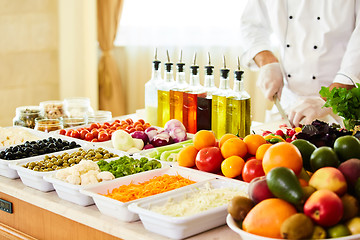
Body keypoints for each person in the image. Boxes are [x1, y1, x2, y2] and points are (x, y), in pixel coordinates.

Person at [239, 0, 360, 127]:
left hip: (342, 107)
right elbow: (251, 24)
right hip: (288, 103)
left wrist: (329, 100)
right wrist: (267, 61)